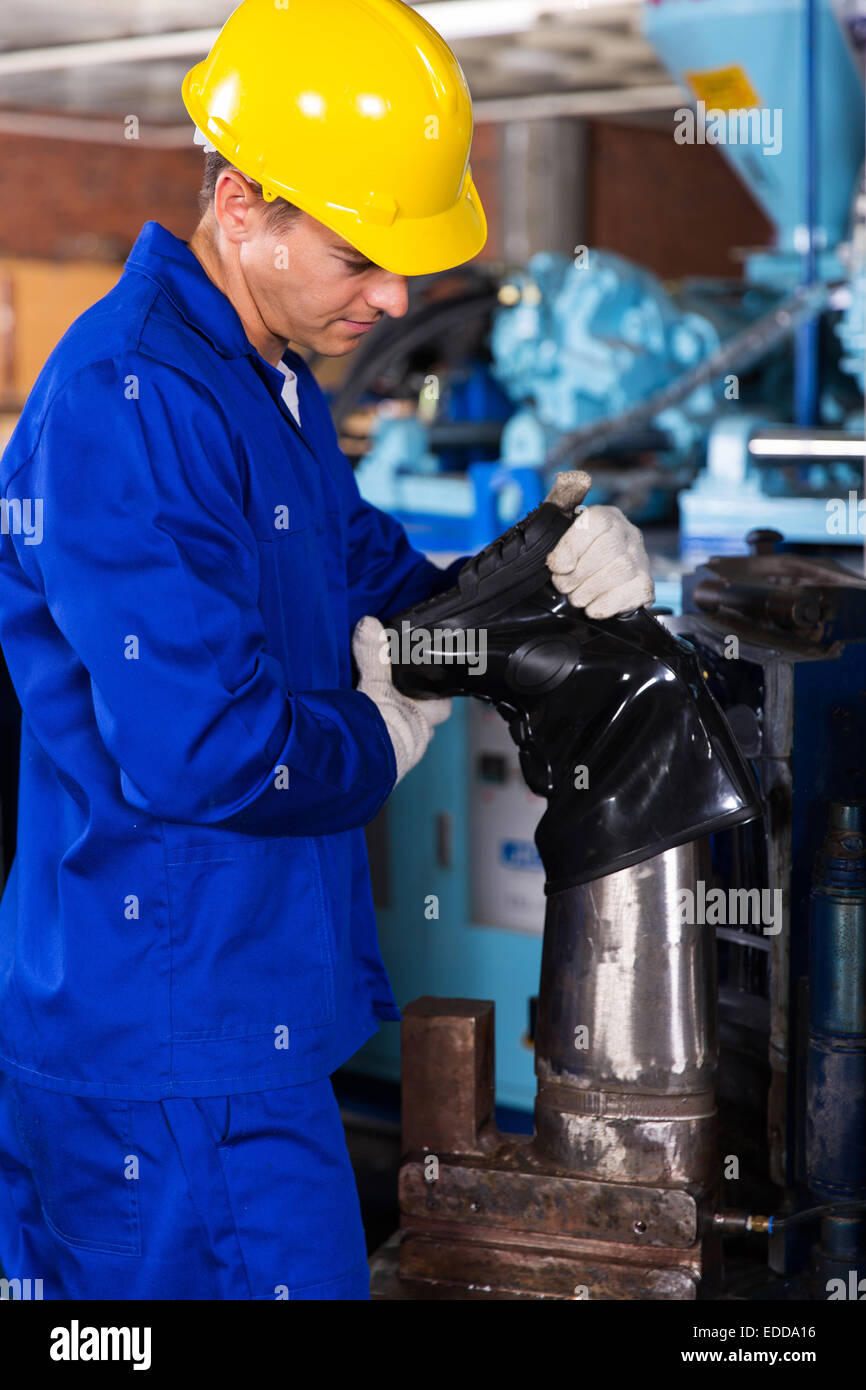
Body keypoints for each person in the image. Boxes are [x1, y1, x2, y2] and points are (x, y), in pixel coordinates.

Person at [0, 0, 653, 1300]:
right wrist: (379, 732)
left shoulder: (264, 377)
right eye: (361, 255)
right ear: (242, 203)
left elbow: (386, 589)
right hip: (175, 1055)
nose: (397, 297)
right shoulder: (129, 406)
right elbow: (205, 752)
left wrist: (552, 572)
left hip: (240, 1022)